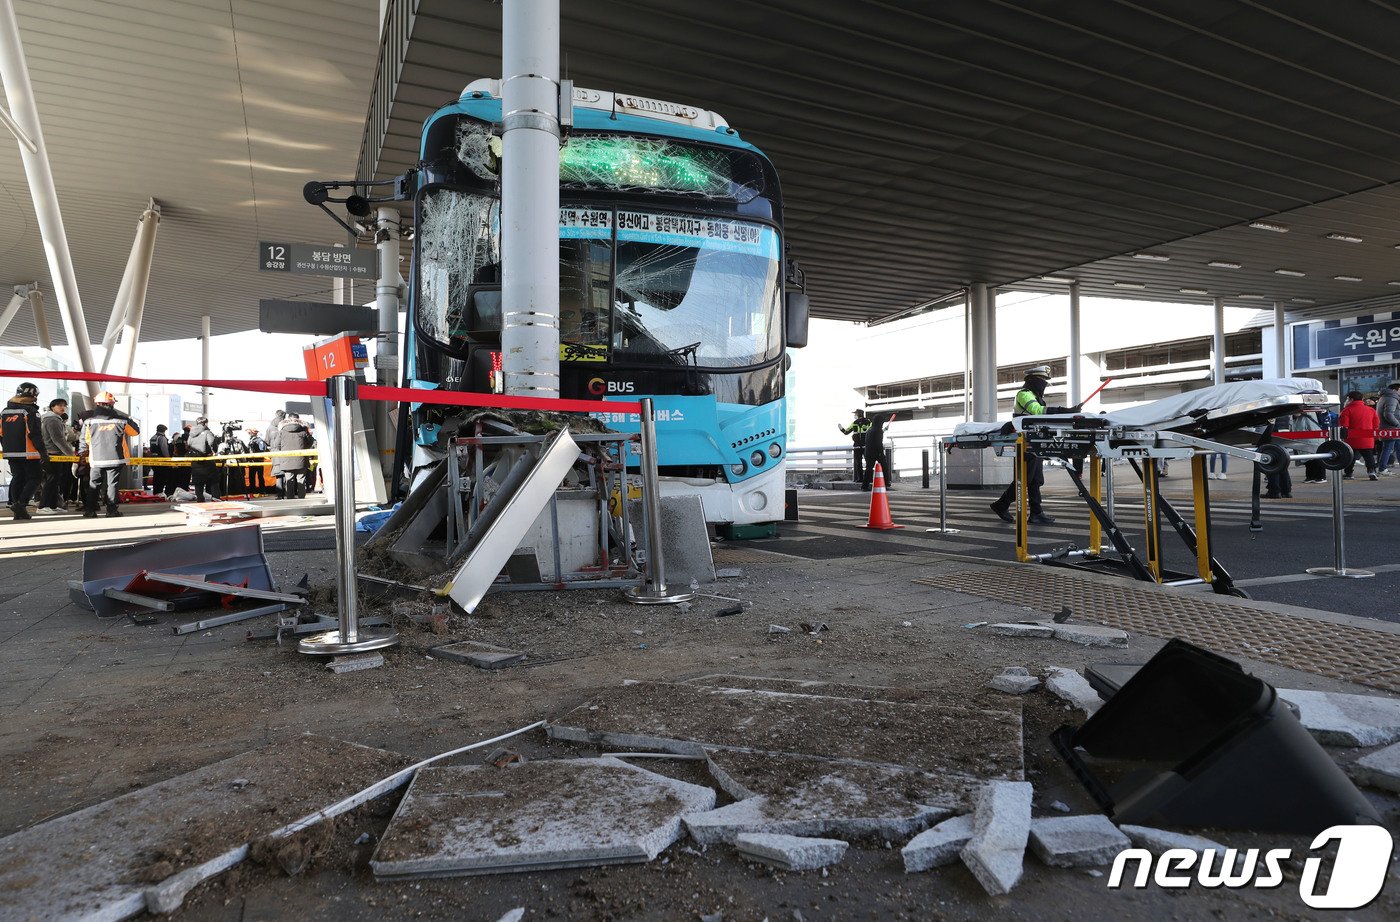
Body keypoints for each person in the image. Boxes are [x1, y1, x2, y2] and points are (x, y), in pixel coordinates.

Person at [990, 365, 1081, 525]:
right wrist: (1064, 410)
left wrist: (1067, 412)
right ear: (1032, 380)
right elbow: (1037, 411)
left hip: (1034, 441)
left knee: (1035, 479)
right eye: (1042, 381)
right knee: (1025, 478)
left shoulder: (1035, 396)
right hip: (1024, 442)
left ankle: (1036, 513)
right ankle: (1001, 504)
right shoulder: (1024, 394)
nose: (1044, 384)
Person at [79, 391, 139, 518]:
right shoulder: (121, 420)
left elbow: (85, 440)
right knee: (112, 485)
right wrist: (129, 419)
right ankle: (111, 511)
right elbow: (135, 432)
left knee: (93, 484)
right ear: (112, 404)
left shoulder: (89, 421)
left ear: (97, 404)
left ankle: (90, 511)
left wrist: (82, 454)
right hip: (116, 459)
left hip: (96, 459)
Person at [1, 382, 49, 520]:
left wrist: (7, 448)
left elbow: (1, 433)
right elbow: (34, 433)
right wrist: (43, 452)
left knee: (18, 478)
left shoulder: (4, 411)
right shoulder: (31, 412)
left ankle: (18, 511)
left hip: (10, 452)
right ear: (33, 395)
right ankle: (21, 504)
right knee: (36, 478)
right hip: (29, 452)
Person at [37, 398, 75, 514]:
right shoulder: (52, 419)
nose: (62, 407)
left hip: (51, 453)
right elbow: (57, 439)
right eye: (59, 405)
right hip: (51, 453)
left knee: (54, 481)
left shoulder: (50, 418)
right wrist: (71, 454)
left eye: (64, 405)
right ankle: (43, 506)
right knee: (51, 481)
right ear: (52, 407)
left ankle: (52, 505)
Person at [1338, 390, 1380, 481]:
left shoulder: (1347, 410)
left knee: (1350, 457)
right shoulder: (1371, 410)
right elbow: (1376, 424)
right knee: (1369, 456)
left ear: (1351, 399)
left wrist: (1343, 437)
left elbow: (1344, 425)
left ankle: (1349, 473)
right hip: (1367, 438)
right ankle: (1371, 471)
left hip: (1352, 439)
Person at [277, 413, 315, 498]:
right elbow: (308, 445)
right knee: (301, 480)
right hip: (301, 460)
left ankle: (290, 499)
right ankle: (301, 498)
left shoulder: (282, 431)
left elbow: (277, 445)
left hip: (286, 460)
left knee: (289, 480)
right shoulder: (303, 431)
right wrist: (311, 436)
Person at [185, 417, 221, 500]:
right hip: (207, 460)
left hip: (195, 461)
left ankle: (200, 500)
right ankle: (216, 499)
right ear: (205, 423)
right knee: (214, 481)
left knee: (198, 482)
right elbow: (212, 442)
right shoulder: (207, 432)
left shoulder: (191, 434)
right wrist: (214, 451)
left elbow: (188, 444)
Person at [837, 410, 871, 489]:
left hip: (861, 446)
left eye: (855, 414)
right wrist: (841, 428)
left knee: (862, 463)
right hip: (862, 446)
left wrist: (841, 429)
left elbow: (846, 432)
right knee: (865, 463)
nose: (854, 415)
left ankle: (863, 479)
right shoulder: (861, 422)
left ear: (858, 414)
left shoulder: (863, 422)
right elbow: (846, 432)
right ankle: (864, 479)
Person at [1377, 382, 1400, 475]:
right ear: (1395, 390)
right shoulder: (1392, 398)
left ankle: (1382, 468)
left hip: (1388, 428)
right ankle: (1382, 468)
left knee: (1394, 448)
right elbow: (1388, 414)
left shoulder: (1384, 397)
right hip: (1391, 428)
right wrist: (1397, 424)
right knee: (1388, 448)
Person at [147, 424, 172, 497]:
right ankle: (160, 492)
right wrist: (168, 459)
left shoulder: (153, 437)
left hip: (154, 460)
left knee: (156, 476)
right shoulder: (162, 438)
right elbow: (164, 450)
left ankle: (156, 492)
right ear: (164, 430)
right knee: (162, 477)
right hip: (161, 460)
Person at [268, 409, 287, 499]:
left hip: (275, 453)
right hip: (285, 452)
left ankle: (280, 495)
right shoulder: (285, 425)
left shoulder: (270, 427)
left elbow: (267, 440)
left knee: (278, 475)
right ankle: (289, 494)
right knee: (288, 474)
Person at [245, 428, 270, 494]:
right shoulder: (250, 441)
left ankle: (262, 490)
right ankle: (252, 490)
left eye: (250, 433)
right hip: (252, 461)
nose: (249, 434)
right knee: (251, 476)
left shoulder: (259, 440)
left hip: (258, 460)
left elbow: (263, 449)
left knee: (260, 476)